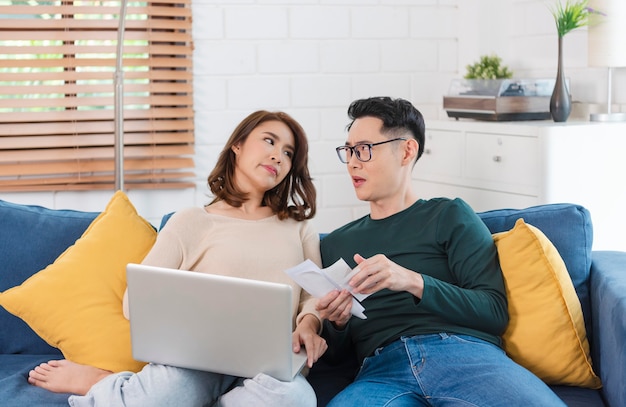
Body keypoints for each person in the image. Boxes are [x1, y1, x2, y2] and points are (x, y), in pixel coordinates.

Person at [27, 110, 328, 407]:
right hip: (197, 361)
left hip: (270, 367)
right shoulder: (192, 221)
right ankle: (101, 382)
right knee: (165, 393)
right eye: (269, 141)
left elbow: (314, 296)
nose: (278, 156)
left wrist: (309, 324)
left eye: (289, 153)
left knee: (297, 399)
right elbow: (137, 301)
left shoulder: (299, 228)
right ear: (238, 145)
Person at [314, 96, 567, 406]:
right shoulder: (336, 244)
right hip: (379, 372)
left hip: (464, 356)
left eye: (365, 149)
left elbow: (493, 312)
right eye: (349, 151)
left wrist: (411, 281)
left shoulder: (449, 215)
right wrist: (337, 324)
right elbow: (339, 356)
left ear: (407, 151)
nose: (353, 161)